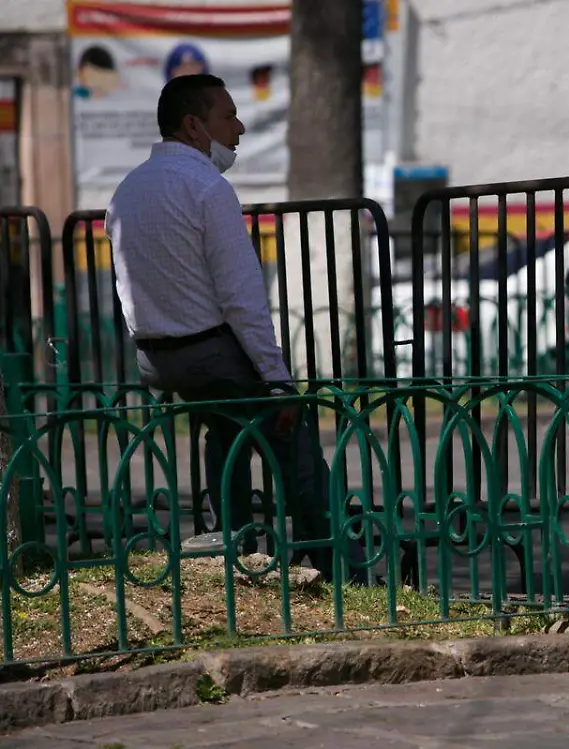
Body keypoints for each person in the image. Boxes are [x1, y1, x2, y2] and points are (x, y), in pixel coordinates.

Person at [105, 73, 368, 584]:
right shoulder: (208, 187)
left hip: (156, 357)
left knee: (227, 434)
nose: (240, 126)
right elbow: (242, 300)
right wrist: (279, 381)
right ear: (193, 126)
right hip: (210, 350)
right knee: (293, 439)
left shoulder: (127, 189)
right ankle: (345, 571)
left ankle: (235, 557)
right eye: (228, 116)